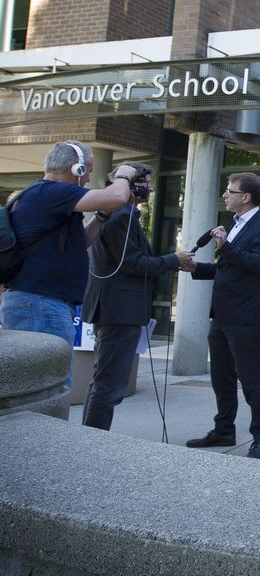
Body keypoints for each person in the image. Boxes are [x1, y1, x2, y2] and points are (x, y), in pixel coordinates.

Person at [0, 141, 139, 386]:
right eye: (88, 172)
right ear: (76, 169)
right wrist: (125, 176)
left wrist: (100, 217)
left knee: (49, 387)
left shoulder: (44, 197)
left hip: (41, 303)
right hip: (41, 304)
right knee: (48, 388)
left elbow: (81, 241)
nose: (87, 180)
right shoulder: (51, 192)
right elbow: (116, 197)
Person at [80, 164, 192, 431]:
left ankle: (89, 438)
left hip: (115, 309)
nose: (151, 190)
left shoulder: (118, 214)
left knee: (103, 381)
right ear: (132, 186)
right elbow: (132, 263)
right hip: (119, 310)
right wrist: (173, 260)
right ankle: (93, 442)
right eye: (146, 184)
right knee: (109, 384)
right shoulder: (120, 216)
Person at [183, 173, 260, 460]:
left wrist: (227, 246)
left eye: (230, 191)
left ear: (245, 197)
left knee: (251, 379)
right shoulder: (235, 227)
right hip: (222, 316)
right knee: (220, 378)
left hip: (245, 317)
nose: (225, 195)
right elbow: (228, 270)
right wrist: (195, 269)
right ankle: (224, 429)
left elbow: (258, 264)